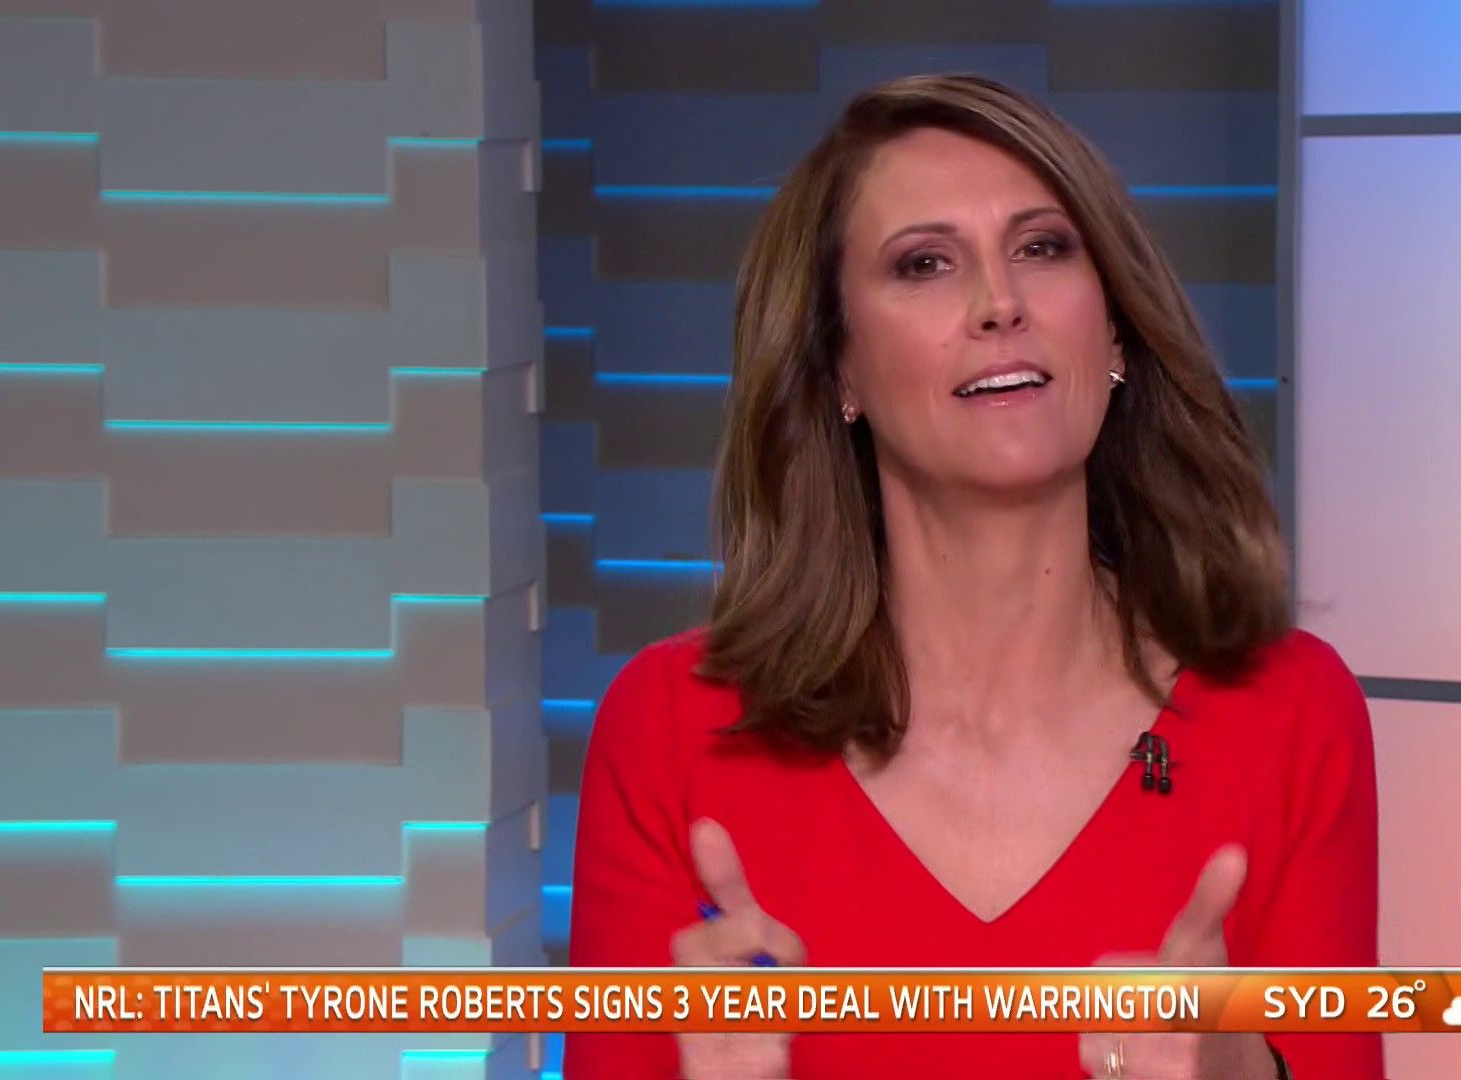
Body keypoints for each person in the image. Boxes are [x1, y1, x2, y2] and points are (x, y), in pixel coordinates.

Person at [565, 73, 1382, 1079]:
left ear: (1114, 331)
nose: (1001, 304)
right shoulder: (671, 734)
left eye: (1043, 249)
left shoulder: (1291, 715)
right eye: (924, 264)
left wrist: (1244, 1072)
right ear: (839, 369)